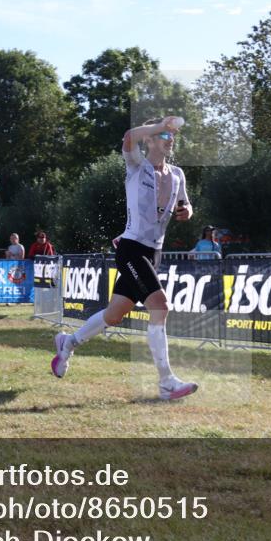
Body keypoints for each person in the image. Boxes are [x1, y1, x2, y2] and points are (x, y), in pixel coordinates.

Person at [51, 116, 198, 401]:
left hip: (154, 253)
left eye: (172, 136)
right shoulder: (137, 165)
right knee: (160, 306)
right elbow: (129, 136)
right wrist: (161, 126)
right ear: (150, 139)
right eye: (164, 136)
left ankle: (68, 342)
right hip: (131, 248)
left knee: (113, 315)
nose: (171, 140)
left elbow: (185, 203)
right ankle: (167, 382)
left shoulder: (177, 174)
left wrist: (187, 211)